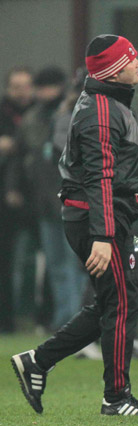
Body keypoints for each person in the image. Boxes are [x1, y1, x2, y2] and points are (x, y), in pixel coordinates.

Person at [10, 34, 138, 416]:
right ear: (114, 70)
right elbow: (100, 178)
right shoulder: (100, 110)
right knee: (121, 304)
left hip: (102, 217)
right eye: (131, 58)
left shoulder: (107, 104)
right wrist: (103, 235)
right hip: (97, 220)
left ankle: (38, 362)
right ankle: (116, 398)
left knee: (114, 302)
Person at [8, 66, 89, 331]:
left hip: (71, 201)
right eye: (40, 87)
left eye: (48, 87)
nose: (44, 93)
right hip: (44, 201)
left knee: (75, 264)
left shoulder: (73, 114)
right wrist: (14, 187)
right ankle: (65, 318)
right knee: (56, 266)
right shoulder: (33, 118)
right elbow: (20, 156)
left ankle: (77, 318)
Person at [0, 66, 34, 333]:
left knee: (54, 262)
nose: (21, 92)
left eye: (25, 86)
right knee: (8, 261)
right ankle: (6, 319)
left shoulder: (41, 113)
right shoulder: (3, 112)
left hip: (39, 195)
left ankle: (49, 318)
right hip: (6, 197)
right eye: (16, 87)